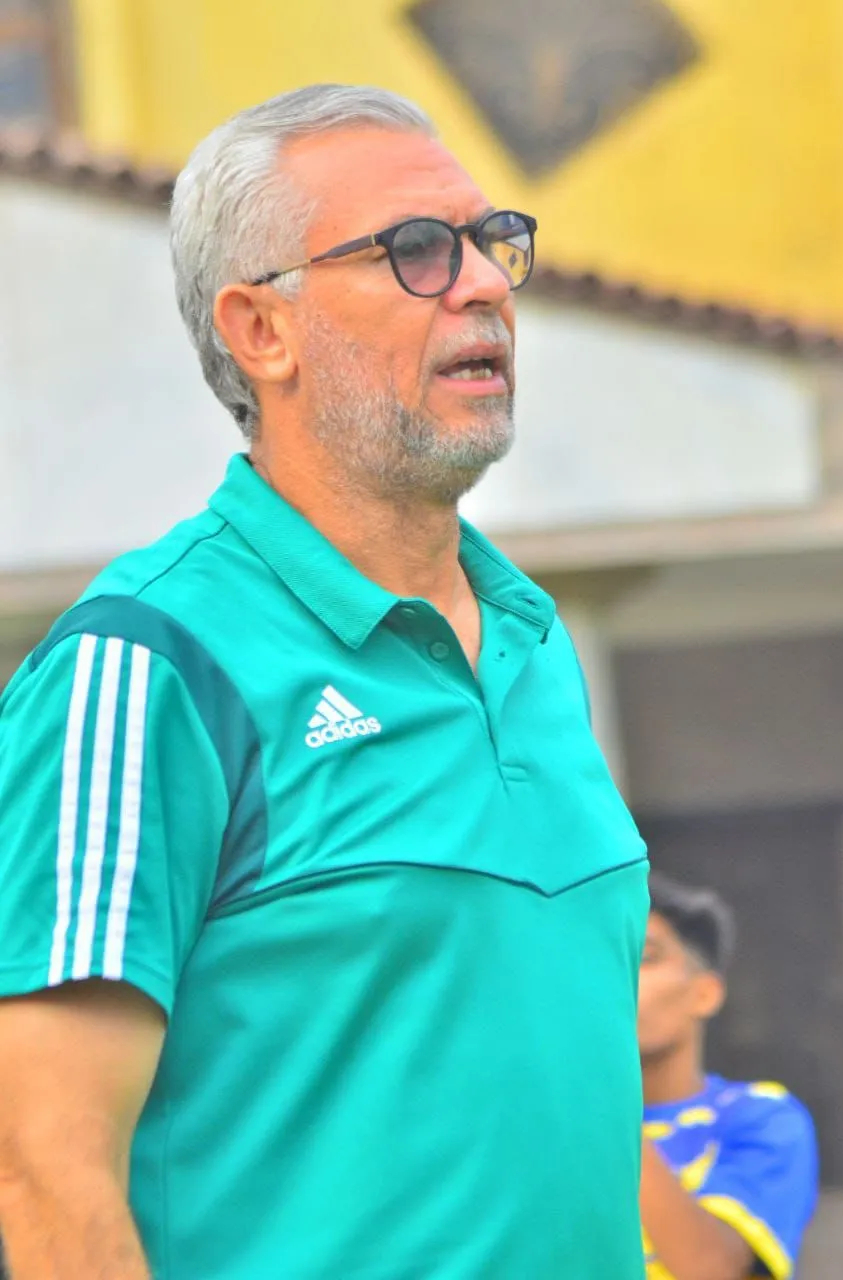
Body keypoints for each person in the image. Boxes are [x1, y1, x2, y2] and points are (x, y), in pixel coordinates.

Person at [0, 84, 649, 1278]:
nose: (483, 283)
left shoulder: (530, 640)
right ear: (261, 330)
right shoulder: (141, 665)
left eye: (490, 240)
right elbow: (40, 1169)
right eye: (416, 249)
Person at [639, 871, 818, 1280]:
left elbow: (714, 1270)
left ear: (704, 994)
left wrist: (599, 1098)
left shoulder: (762, 1116)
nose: (619, 979)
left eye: (646, 958)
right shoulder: (535, 1125)